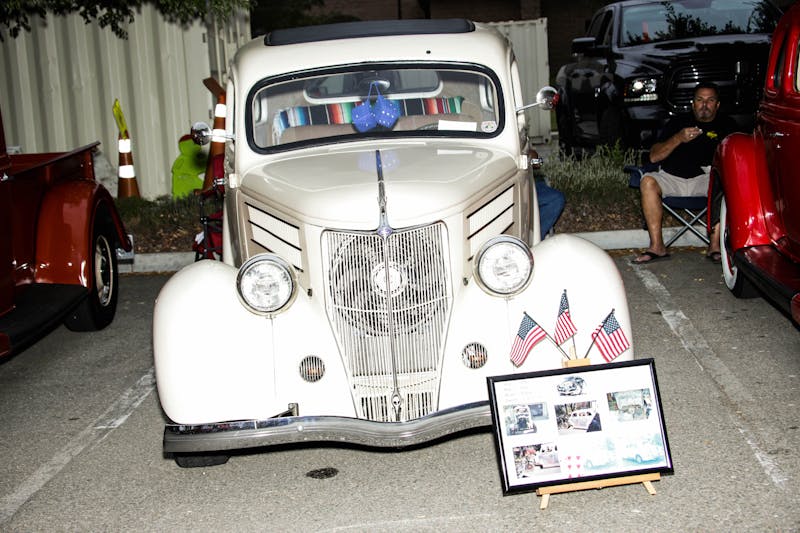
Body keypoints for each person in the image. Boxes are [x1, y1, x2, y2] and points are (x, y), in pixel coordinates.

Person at [632, 82, 738, 264]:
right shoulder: (678, 122)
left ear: (717, 105)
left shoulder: (728, 125)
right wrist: (678, 138)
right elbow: (654, 156)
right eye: (700, 100)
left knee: (723, 180)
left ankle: (714, 246)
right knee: (648, 181)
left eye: (710, 100)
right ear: (693, 103)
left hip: (706, 180)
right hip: (672, 178)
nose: (704, 105)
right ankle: (657, 247)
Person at [530, 148, 565, 240]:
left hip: (534, 183)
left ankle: (537, 237)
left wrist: (530, 158)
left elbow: (538, 163)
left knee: (556, 199)